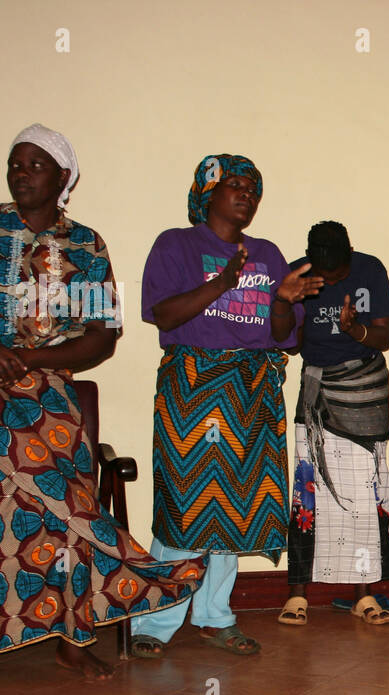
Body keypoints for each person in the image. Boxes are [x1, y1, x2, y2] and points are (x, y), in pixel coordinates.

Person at [0, 123, 202, 690]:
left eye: (35, 164)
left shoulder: (84, 247)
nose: (21, 172)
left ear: (63, 178)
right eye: (15, 162)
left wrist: (34, 362)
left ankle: (71, 638)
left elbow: (101, 336)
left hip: (50, 398)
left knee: (65, 514)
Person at [131, 154, 320, 658]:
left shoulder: (268, 253)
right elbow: (162, 314)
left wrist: (282, 300)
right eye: (234, 185)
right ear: (206, 192)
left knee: (235, 506)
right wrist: (222, 283)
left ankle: (215, 616)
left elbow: (287, 338)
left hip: (252, 390)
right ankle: (156, 620)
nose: (245, 195)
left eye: (253, 189)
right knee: (183, 503)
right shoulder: (176, 244)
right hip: (191, 386)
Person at [279, 222, 389, 626]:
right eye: (324, 274)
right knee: (307, 492)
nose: (331, 280)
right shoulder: (296, 275)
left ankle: (363, 594)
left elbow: (384, 338)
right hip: (317, 389)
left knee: (364, 496)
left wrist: (354, 329)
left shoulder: (371, 269)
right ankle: (297, 594)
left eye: (338, 273)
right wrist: (287, 303)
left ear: (351, 253)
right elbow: (290, 344)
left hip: (364, 389)